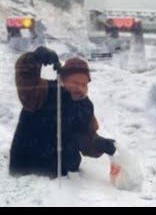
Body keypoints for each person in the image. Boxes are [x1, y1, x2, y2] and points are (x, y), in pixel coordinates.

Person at [9, 46, 116, 178]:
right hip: (29, 171)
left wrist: (99, 143)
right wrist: (34, 59)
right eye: (75, 82)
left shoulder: (85, 107)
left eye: (84, 84)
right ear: (62, 80)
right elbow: (26, 79)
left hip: (64, 174)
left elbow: (85, 139)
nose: (80, 88)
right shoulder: (43, 91)